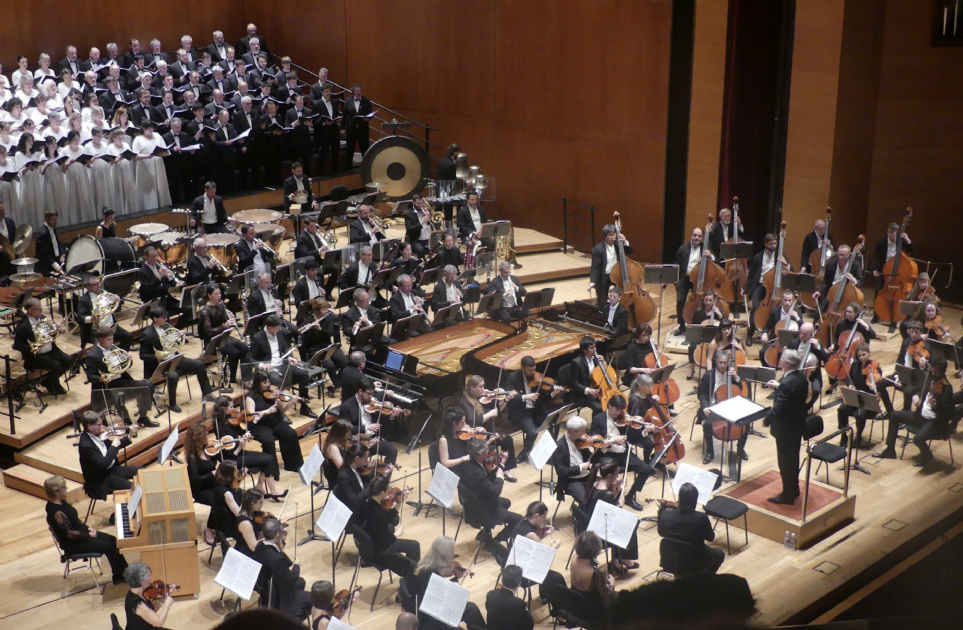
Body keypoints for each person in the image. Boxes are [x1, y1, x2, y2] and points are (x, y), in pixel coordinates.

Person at [45, 475, 129, 584]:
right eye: (64, 487)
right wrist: (87, 535)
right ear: (57, 491)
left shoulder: (61, 502)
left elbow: (74, 520)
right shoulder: (56, 512)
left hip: (81, 534)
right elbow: (70, 534)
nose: (66, 489)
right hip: (73, 543)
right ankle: (120, 576)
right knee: (110, 546)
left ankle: (125, 573)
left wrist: (88, 528)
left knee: (113, 540)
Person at [875, 357, 953, 466]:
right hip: (920, 416)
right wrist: (917, 396)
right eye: (932, 370)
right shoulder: (930, 379)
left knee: (918, 439)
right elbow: (922, 391)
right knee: (893, 415)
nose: (933, 373)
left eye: (936, 372)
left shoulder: (947, 388)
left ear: (943, 371)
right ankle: (890, 450)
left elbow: (948, 414)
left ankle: (927, 455)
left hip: (934, 422)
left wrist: (935, 406)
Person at [140, 307, 214, 412]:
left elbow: (174, 344)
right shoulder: (146, 334)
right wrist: (157, 356)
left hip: (175, 358)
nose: (166, 319)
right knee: (173, 376)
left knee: (199, 365)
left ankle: (207, 394)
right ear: (155, 319)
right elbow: (142, 355)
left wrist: (180, 337)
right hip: (161, 364)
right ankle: (172, 404)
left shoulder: (167, 327)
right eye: (163, 318)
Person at [406, 536, 487, 630]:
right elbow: (446, 596)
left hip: (435, 607)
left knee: (471, 608)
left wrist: (451, 577)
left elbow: (440, 590)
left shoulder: (426, 565)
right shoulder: (432, 574)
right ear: (445, 556)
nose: (453, 556)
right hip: (433, 617)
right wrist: (456, 579)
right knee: (470, 612)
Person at [763, 349, 810, 504]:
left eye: (782, 358)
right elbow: (793, 398)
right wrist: (779, 387)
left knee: (785, 462)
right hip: (796, 426)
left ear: (788, 363)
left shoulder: (787, 382)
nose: (780, 359)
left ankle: (788, 494)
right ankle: (794, 489)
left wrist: (766, 420)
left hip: (785, 429)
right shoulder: (802, 378)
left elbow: (779, 407)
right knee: (793, 459)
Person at [212, 395, 284, 496]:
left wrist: (255, 421)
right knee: (268, 460)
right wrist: (240, 446)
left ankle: (260, 486)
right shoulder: (219, 426)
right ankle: (274, 491)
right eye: (231, 407)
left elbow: (243, 432)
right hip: (232, 458)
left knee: (269, 458)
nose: (234, 409)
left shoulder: (231, 420)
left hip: (239, 452)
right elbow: (229, 455)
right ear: (224, 409)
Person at [590, 395, 652, 510]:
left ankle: (630, 496)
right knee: (609, 472)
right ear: (609, 406)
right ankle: (609, 497)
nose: (619, 413)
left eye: (621, 410)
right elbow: (595, 441)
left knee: (646, 469)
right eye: (617, 409)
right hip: (607, 455)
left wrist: (644, 432)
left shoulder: (624, 419)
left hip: (624, 453)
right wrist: (613, 440)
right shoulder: (598, 419)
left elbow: (632, 440)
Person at [85, 327, 157, 427]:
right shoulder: (92, 355)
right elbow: (90, 376)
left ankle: (143, 418)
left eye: (112, 338)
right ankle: (128, 425)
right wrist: (102, 378)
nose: (112, 341)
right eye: (109, 339)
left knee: (148, 387)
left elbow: (127, 365)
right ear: (101, 340)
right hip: (107, 386)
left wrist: (128, 359)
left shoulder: (114, 348)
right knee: (118, 399)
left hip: (121, 379)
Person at [460, 438, 524, 547]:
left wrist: (491, 469)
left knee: (506, 502)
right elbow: (495, 491)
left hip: (474, 503)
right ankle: (494, 543)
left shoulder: (469, 464)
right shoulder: (477, 474)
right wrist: (501, 469)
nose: (489, 452)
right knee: (519, 520)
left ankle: (485, 533)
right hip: (484, 510)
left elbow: (484, 484)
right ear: (480, 454)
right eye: (486, 451)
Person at [251, 314, 316, 419]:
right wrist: (262, 365)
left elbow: (285, 348)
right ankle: (280, 412)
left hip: (283, 364)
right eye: (278, 327)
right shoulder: (257, 338)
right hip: (269, 368)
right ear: (270, 328)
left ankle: (304, 407)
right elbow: (250, 357)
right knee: (279, 381)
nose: (280, 329)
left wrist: (289, 357)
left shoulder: (279, 333)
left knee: (303, 375)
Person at [584, 458, 640, 575]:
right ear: (609, 476)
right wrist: (620, 504)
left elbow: (606, 502)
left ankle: (618, 559)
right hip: (599, 532)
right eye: (616, 474)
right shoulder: (607, 494)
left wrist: (618, 490)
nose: (617, 477)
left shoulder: (596, 483)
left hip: (590, 524)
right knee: (631, 525)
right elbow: (614, 516)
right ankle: (623, 559)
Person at [656, 482, 725, 574]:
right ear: (695, 500)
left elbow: (661, 533)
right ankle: (706, 578)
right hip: (695, 559)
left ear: (679, 499)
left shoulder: (665, 514)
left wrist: (661, 511)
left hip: (671, 559)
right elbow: (710, 538)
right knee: (719, 554)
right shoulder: (701, 518)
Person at [505, 356, 564, 462]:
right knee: (532, 433)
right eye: (529, 370)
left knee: (555, 421)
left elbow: (544, 397)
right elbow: (509, 398)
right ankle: (525, 454)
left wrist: (553, 393)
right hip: (522, 412)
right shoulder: (512, 377)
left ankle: (550, 450)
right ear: (522, 368)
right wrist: (524, 397)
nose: (532, 373)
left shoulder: (537, 376)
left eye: (534, 369)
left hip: (537, 410)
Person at [244, 369, 305, 472]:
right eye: (264, 382)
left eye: (268, 381)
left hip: (275, 421)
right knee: (269, 441)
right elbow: (251, 416)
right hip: (260, 425)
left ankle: (294, 465)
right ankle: (272, 470)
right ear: (257, 383)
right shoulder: (251, 397)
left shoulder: (272, 393)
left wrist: (291, 402)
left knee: (291, 434)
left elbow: (282, 410)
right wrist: (267, 411)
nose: (268, 384)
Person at [459, 374, 518, 479]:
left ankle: (505, 468)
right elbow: (473, 421)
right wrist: (489, 414)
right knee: (491, 446)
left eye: (484, 386)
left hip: (489, 432)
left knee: (507, 439)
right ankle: (488, 469)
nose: (483, 389)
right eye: (480, 387)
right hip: (477, 436)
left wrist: (506, 399)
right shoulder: (465, 401)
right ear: (472, 387)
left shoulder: (484, 398)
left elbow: (497, 412)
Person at [836, 343, 894, 449]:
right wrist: (850, 385)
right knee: (842, 409)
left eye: (864, 354)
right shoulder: (855, 365)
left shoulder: (875, 366)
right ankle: (843, 435)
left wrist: (874, 385)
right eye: (860, 355)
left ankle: (858, 436)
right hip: (856, 398)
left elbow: (879, 382)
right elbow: (848, 378)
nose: (862, 357)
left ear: (869, 353)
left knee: (860, 413)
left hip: (869, 402)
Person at [255, 517, 311, 621]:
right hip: (280, 592)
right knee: (315, 599)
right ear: (277, 535)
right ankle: (294, 619)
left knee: (301, 582)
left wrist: (280, 542)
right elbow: (292, 578)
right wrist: (297, 565)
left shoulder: (259, 545)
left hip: (268, 584)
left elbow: (280, 556)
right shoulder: (277, 560)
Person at [698, 350, 749, 465]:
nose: (722, 365)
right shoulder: (709, 375)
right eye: (720, 362)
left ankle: (740, 450)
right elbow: (702, 394)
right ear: (715, 361)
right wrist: (705, 407)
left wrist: (736, 377)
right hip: (713, 406)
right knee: (707, 424)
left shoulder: (731, 374)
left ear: (728, 362)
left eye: (725, 363)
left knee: (746, 422)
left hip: (730, 406)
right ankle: (710, 452)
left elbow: (739, 389)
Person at [13, 297, 72, 396]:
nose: (41, 311)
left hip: (51, 350)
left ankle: (48, 381)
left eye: (41, 308)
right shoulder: (23, 325)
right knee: (56, 365)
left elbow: (52, 335)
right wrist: (33, 346)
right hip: (36, 356)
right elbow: (17, 345)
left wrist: (55, 329)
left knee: (69, 360)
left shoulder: (43, 318)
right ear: (30, 310)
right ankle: (55, 386)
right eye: (38, 309)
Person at [363, 474, 419, 577]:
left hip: (379, 545)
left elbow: (386, 518)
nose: (390, 490)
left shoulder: (371, 502)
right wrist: (397, 534)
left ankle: (410, 577)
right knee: (414, 566)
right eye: (388, 489)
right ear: (382, 493)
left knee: (414, 546)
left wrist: (399, 503)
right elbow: (384, 540)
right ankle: (411, 577)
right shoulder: (375, 513)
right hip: (381, 552)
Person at [339, 376, 403, 464]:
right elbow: (347, 429)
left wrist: (392, 415)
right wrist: (367, 428)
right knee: (357, 461)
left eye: (372, 394)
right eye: (369, 394)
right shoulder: (347, 406)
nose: (371, 397)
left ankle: (384, 473)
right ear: (360, 391)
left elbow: (382, 420)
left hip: (372, 438)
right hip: (357, 441)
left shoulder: (372, 402)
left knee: (392, 451)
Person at [510, 501, 567, 596]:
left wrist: (543, 535)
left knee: (542, 565)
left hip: (513, 564)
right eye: (544, 518)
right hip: (521, 573)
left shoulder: (522, 522)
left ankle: (544, 596)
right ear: (536, 515)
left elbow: (533, 544)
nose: (544, 521)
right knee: (557, 577)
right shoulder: (530, 533)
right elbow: (546, 552)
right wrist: (557, 544)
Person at [743, 234, 791, 345]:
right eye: (771, 244)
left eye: (775, 243)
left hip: (775, 288)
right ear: (765, 244)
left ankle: (772, 334)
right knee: (755, 308)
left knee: (775, 310)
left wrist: (786, 264)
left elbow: (789, 270)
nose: (773, 246)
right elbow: (751, 275)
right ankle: (750, 334)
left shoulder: (780, 254)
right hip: (760, 286)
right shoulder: (758, 257)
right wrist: (746, 288)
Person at [198, 284, 250, 386]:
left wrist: (230, 319)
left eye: (220, 293)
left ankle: (246, 377)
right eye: (216, 294)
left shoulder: (220, 305)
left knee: (244, 348)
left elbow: (225, 319)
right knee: (234, 352)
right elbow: (209, 332)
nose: (219, 296)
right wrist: (225, 326)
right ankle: (230, 376)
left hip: (223, 337)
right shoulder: (205, 312)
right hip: (212, 341)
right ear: (209, 295)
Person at [673, 226, 712, 336]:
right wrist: (676, 282)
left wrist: (710, 256)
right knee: (680, 301)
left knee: (701, 301)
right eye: (695, 235)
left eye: (699, 236)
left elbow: (716, 261)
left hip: (699, 280)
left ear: (702, 237)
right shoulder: (683, 249)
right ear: (691, 236)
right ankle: (681, 326)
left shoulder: (705, 247)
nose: (697, 238)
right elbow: (676, 265)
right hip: (685, 279)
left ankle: (699, 324)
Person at [785, 321, 830, 409]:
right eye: (800, 332)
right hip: (794, 372)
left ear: (811, 333)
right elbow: (787, 358)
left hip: (811, 375)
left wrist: (818, 347)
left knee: (815, 390)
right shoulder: (793, 342)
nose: (801, 335)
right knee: (783, 385)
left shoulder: (817, 343)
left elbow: (826, 359)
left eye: (805, 334)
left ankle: (806, 408)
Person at [551, 416, 594, 505]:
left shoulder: (580, 441)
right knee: (586, 502)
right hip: (571, 481)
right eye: (583, 431)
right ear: (573, 432)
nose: (585, 433)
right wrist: (579, 468)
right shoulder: (559, 447)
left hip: (587, 476)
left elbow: (591, 457)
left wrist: (601, 448)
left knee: (604, 493)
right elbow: (561, 471)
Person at [589, 224, 634, 307]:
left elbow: (630, 251)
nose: (613, 237)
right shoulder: (598, 249)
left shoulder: (618, 245)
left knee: (621, 294)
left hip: (617, 275)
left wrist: (625, 242)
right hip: (604, 276)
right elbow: (595, 267)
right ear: (605, 236)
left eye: (614, 235)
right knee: (602, 301)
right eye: (610, 235)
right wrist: (592, 282)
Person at [569, 531, 614, 614]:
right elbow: (607, 596)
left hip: (576, 605)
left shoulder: (574, 559)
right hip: (591, 612)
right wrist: (612, 584)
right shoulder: (594, 573)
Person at [123, 562, 174, 630]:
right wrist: (167, 606)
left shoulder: (136, 592)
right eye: (148, 576)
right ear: (142, 581)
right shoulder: (137, 604)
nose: (151, 578)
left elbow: (150, 609)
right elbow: (159, 622)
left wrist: (165, 596)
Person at [334, 443, 377, 521]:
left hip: (363, 505)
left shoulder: (358, 468)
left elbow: (366, 480)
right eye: (365, 458)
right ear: (357, 459)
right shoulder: (344, 477)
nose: (367, 461)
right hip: (355, 514)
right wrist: (371, 487)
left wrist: (382, 473)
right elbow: (355, 500)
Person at [485, 565, 534, 630]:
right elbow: (529, 625)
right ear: (519, 584)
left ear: (502, 580)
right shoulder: (519, 604)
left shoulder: (491, 595)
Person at [567, 337, 605, 416]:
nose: (595, 349)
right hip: (583, 394)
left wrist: (603, 362)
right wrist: (588, 390)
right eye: (592, 348)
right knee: (598, 407)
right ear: (585, 350)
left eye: (595, 346)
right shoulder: (577, 362)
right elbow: (574, 383)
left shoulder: (596, 358)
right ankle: (596, 423)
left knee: (611, 401)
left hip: (597, 389)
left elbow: (603, 373)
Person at [137, 246, 180, 315]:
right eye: (152, 257)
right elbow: (147, 290)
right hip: (155, 302)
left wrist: (169, 277)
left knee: (188, 308)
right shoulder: (142, 272)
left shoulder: (159, 266)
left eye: (156, 256)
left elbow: (173, 284)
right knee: (165, 315)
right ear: (146, 257)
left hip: (166, 299)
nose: (155, 259)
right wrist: (159, 277)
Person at [435, 407, 474, 475]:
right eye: (462, 422)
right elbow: (445, 463)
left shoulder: (462, 435)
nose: (465, 425)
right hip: (455, 472)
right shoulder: (443, 440)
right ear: (454, 424)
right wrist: (463, 459)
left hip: (466, 468)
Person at [342, 83, 372, 168]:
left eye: (360, 90)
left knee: (365, 148)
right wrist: (342, 128)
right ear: (353, 91)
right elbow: (344, 116)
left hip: (363, 129)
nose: (359, 92)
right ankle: (348, 166)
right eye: (357, 91)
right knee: (350, 148)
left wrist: (368, 118)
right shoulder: (348, 101)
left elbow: (370, 114)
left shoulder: (366, 101)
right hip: (351, 128)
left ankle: (366, 166)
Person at [313, 84, 341, 173]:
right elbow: (314, 120)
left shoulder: (334, 102)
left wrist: (338, 118)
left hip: (334, 131)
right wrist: (324, 123)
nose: (328, 93)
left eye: (329, 91)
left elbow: (336, 114)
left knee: (335, 151)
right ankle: (320, 172)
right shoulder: (317, 103)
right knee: (323, 152)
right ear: (322, 92)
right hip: (323, 132)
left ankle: (335, 171)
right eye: (326, 91)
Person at [618, 323, 656, 388]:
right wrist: (643, 370)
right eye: (644, 335)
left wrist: (655, 347)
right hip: (635, 376)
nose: (646, 337)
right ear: (638, 334)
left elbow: (653, 359)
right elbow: (630, 369)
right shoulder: (632, 347)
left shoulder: (649, 344)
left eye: (648, 335)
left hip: (647, 374)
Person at [234, 488, 266, 558]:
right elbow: (253, 547)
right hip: (246, 555)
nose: (262, 504)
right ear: (252, 503)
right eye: (260, 502)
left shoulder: (254, 514)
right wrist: (270, 537)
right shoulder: (245, 523)